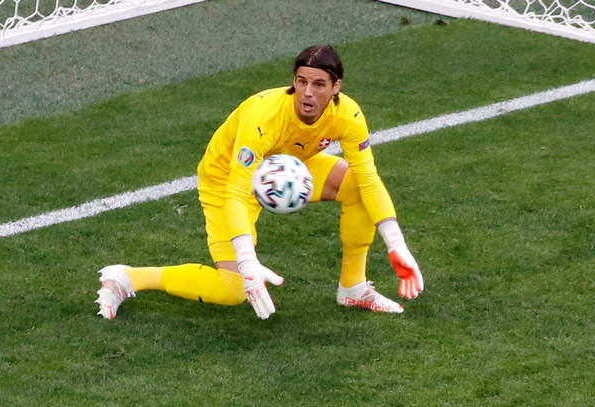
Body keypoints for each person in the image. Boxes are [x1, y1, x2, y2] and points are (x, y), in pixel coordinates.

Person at [95, 45, 423, 320]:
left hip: (289, 167)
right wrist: (248, 262)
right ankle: (128, 277)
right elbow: (237, 193)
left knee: (355, 186)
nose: (307, 93)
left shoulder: (348, 115)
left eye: (319, 85)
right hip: (227, 180)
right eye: (301, 82)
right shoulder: (265, 119)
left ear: (336, 88)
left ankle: (353, 288)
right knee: (233, 288)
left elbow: (369, 179)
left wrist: (396, 244)